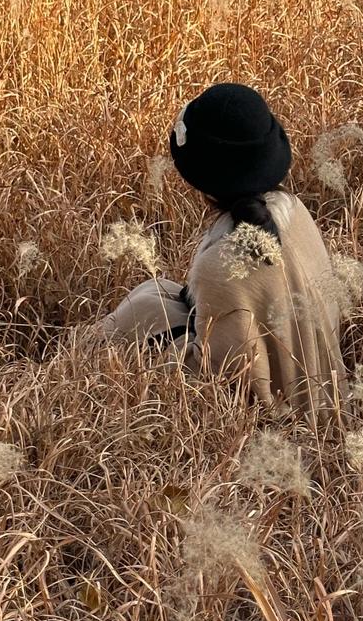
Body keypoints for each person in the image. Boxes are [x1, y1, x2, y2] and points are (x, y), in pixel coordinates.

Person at [101, 83, 346, 418]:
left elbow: (228, 378)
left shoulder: (221, 264)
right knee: (150, 297)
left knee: (139, 312)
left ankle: (84, 348)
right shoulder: (292, 208)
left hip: (282, 409)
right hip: (321, 381)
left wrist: (149, 345)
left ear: (204, 182)